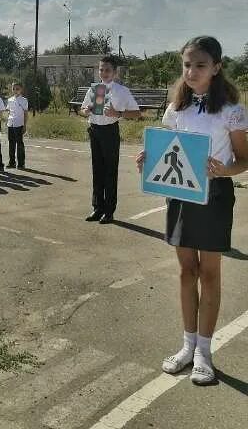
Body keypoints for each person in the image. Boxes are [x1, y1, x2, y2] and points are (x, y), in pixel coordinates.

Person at [137, 36, 248, 385]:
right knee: (187, 271)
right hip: (180, 196)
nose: (192, 71)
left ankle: (204, 351)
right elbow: (167, 150)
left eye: (200, 65)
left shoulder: (232, 109)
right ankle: (187, 345)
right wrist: (148, 159)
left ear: (216, 67)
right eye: (187, 64)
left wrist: (224, 170)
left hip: (214, 196)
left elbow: (244, 159)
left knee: (210, 273)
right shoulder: (176, 108)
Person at [80, 56, 141, 224]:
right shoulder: (95, 89)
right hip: (94, 130)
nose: (104, 73)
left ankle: (109, 211)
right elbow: (82, 109)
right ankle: (97, 208)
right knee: (97, 170)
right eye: (101, 69)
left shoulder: (122, 91)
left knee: (110, 171)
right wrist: (87, 110)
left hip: (110, 131)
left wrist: (118, 114)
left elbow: (136, 113)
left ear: (114, 72)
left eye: (107, 70)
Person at [6, 82, 28, 169]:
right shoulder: (10, 100)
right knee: (11, 144)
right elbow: (9, 111)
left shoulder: (24, 100)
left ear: (21, 90)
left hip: (19, 124)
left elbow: (25, 113)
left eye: (17, 89)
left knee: (19, 144)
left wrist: (25, 125)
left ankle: (21, 163)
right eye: (14, 89)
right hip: (10, 124)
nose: (15, 90)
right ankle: (12, 162)